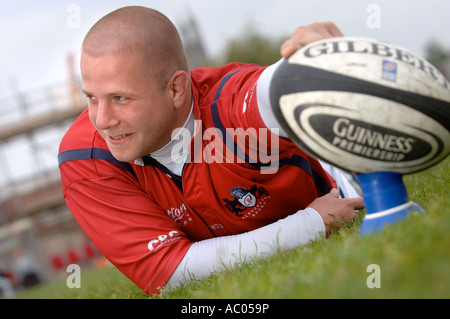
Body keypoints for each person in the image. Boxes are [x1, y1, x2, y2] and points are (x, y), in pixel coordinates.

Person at [58, 6, 364, 295]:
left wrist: (311, 62)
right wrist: (308, 225)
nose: (102, 120)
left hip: (336, 189)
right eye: (92, 98)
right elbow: (170, 272)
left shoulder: (230, 105)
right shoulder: (84, 155)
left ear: (176, 89)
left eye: (121, 98)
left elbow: (276, 90)